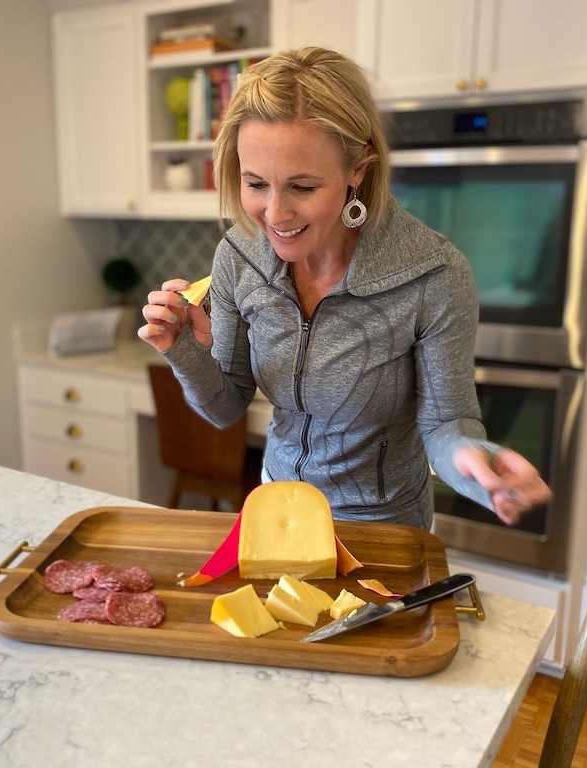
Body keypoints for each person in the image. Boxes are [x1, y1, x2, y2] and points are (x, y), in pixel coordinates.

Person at [139, 47, 551, 529]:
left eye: (303, 187)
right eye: (256, 184)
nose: (274, 215)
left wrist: (477, 463)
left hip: (382, 527)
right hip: (279, 514)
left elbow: (446, 424)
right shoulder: (239, 256)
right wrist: (182, 347)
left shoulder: (434, 274)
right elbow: (227, 406)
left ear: (357, 169)